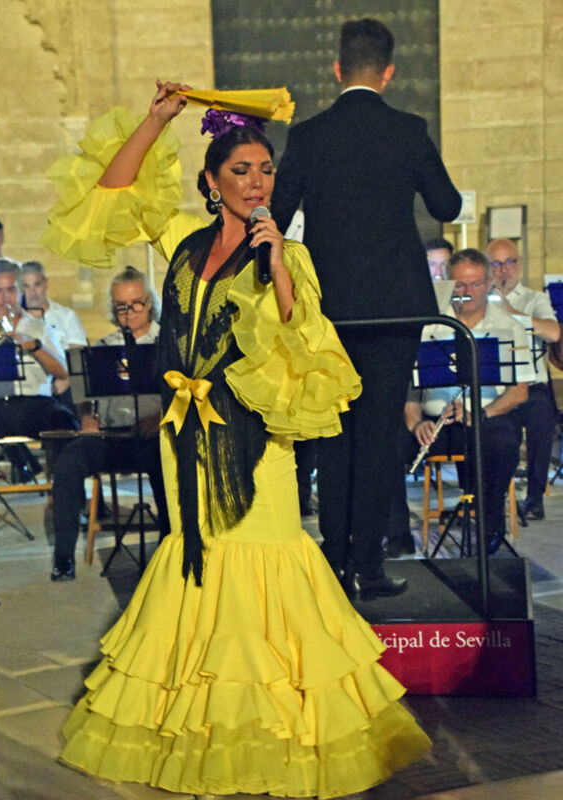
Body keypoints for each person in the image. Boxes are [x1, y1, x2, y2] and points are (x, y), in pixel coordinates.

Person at [41, 81, 430, 796]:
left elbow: (301, 337)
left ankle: (278, 731)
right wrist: (156, 119)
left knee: (267, 561)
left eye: (266, 171)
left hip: (255, 440)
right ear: (212, 182)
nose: (258, 183)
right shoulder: (183, 244)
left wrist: (278, 259)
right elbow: (113, 191)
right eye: (242, 171)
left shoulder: (288, 253)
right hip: (184, 435)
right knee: (201, 566)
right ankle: (201, 724)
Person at [272, 18, 462, 598]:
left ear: (336, 70)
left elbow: (276, 220)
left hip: (330, 310)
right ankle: (370, 565)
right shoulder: (408, 129)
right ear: (388, 72)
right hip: (396, 311)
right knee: (379, 435)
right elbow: (447, 205)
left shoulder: (308, 136)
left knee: (334, 435)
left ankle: (332, 564)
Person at [389, 249, 536, 554]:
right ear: (447, 283)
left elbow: (519, 391)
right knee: (387, 446)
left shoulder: (510, 327)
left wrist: (478, 414)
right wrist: (416, 422)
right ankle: (397, 532)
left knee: (504, 441)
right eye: (459, 285)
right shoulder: (429, 328)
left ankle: (489, 518)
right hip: (435, 424)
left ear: (489, 282)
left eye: (475, 284)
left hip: (487, 419)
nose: (467, 292)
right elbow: (410, 390)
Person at [50, 266, 169, 581]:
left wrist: (160, 419)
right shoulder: (102, 348)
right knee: (68, 461)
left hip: (155, 436)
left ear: (149, 303)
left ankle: (171, 544)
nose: (128, 312)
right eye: (121, 306)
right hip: (111, 437)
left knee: (167, 459)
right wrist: (88, 416)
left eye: (136, 304)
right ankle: (63, 557)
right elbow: (84, 395)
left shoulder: (168, 343)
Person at [0, 261, 78, 528]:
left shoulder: (40, 327)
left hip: (34, 405)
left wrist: (35, 347)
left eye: (11, 290)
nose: (6, 298)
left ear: (19, 292)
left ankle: (70, 510)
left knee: (65, 424)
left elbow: (62, 372)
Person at [485, 238, 560, 520]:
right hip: (497, 387)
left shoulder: (534, 299)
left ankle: (535, 496)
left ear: (519, 264)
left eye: (510, 262)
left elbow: (553, 333)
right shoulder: (481, 301)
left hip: (532, 384)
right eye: (496, 264)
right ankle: (496, 493)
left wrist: (512, 313)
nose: (504, 270)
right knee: (501, 430)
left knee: (542, 419)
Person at [21, 260, 87, 403]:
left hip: (64, 391)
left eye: (37, 285)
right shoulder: (16, 321)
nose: (32, 293)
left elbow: (78, 359)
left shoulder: (66, 316)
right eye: (26, 286)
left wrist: (64, 382)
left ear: (46, 283)